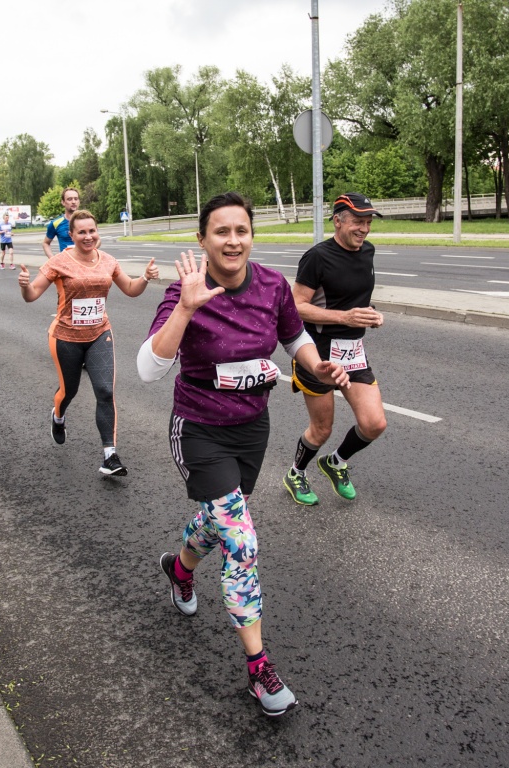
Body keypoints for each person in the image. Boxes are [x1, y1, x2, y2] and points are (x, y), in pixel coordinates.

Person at [137, 192, 350, 718]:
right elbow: (148, 369)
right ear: (202, 239)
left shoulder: (272, 285)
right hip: (199, 430)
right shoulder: (183, 291)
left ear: (251, 236)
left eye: (242, 231)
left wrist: (316, 365)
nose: (233, 241)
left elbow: (293, 335)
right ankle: (259, 670)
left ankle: (180, 569)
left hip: (251, 429)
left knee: (222, 519)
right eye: (221, 232)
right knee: (241, 538)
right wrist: (185, 308)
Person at [20, 208, 159, 476]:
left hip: (99, 334)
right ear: (71, 235)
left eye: (92, 231)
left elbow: (131, 289)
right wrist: (25, 285)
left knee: (105, 391)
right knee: (69, 391)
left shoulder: (108, 261)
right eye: (81, 232)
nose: (88, 236)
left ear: (97, 233)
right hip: (66, 338)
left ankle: (110, 455)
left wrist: (145, 277)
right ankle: (58, 416)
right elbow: (32, 294)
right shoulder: (59, 262)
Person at [282, 192, 388, 506]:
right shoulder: (317, 257)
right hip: (317, 353)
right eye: (357, 221)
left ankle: (336, 462)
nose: (364, 228)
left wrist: (371, 314)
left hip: (353, 351)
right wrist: (344, 317)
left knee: (374, 424)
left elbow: (352, 300)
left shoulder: (368, 251)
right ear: (338, 221)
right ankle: (296, 473)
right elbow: (295, 307)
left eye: (368, 222)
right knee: (322, 428)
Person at [41, 187, 80, 259]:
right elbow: (46, 243)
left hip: (85, 262)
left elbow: (97, 240)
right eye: (69, 199)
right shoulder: (56, 223)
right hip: (66, 263)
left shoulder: (87, 220)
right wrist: (52, 259)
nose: (73, 202)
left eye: (76, 199)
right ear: (63, 202)